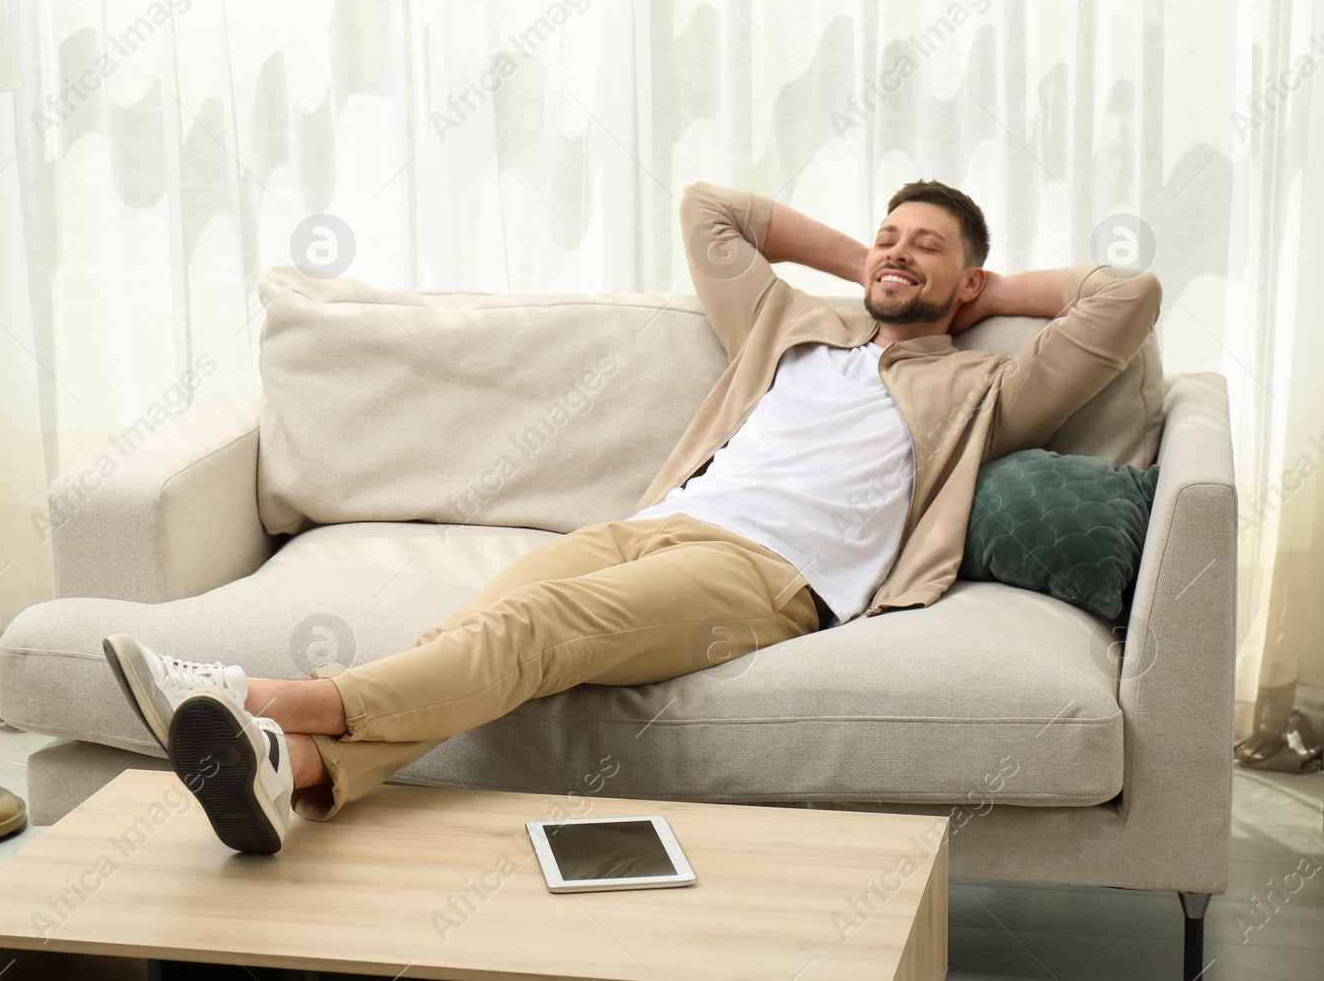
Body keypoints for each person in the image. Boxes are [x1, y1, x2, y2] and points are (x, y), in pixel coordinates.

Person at [103, 179, 1163, 854]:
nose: (896, 250)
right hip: (650, 526)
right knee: (471, 635)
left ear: (965, 275)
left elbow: (1126, 296)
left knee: (527, 636)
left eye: (924, 245)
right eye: (888, 233)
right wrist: (864, 262)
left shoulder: (987, 388)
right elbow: (713, 208)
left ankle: (253, 693)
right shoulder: (794, 322)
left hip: (769, 573)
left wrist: (984, 295)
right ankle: (295, 772)